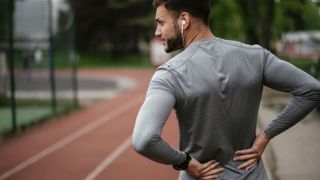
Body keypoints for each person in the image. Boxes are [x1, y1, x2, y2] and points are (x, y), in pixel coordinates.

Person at [132, 0, 320, 179]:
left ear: (184, 20)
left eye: (161, 22)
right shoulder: (255, 56)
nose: (157, 31)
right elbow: (312, 90)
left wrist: (186, 162)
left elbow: (144, 140)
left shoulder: (170, 73)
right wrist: (266, 135)